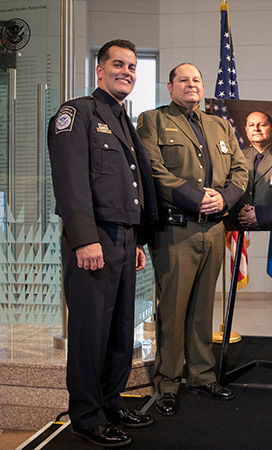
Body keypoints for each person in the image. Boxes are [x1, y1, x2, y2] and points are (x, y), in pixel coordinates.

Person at [48, 39, 158, 448]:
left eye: (132, 65)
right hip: (94, 241)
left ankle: (110, 402)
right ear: (99, 70)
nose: (127, 71)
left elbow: (129, 187)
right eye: (118, 64)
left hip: (124, 241)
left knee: (118, 331)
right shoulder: (77, 113)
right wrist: (85, 240)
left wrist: (137, 241)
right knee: (90, 333)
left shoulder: (122, 120)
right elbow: (72, 182)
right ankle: (87, 416)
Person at [136, 63, 248, 417]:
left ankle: (201, 375)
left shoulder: (220, 125)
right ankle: (168, 381)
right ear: (170, 87)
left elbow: (241, 170)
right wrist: (193, 195)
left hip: (214, 229)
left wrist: (226, 198)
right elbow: (152, 169)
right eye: (183, 79)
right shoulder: (152, 120)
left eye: (196, 80)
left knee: (202, 309)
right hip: (176, 230)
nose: (191, 84)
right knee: (172, 309)